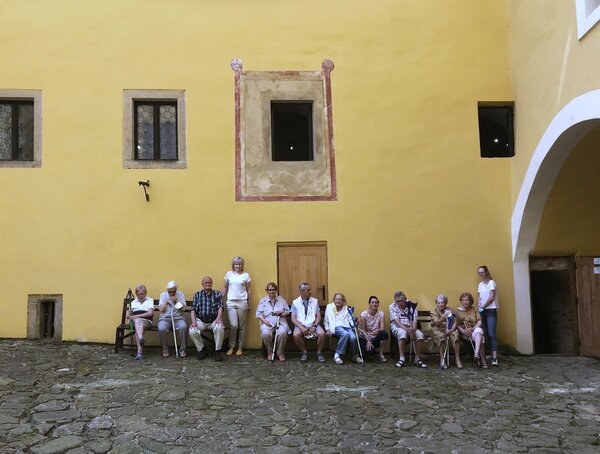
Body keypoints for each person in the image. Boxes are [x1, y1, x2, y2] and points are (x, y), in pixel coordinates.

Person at [189, 276, 225, 362]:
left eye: (209, 282)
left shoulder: (217, 294)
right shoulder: (197, 295)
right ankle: (201, 350)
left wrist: (218, 318)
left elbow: (220, 307)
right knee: (192, 331)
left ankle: (217, 351)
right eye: (206, 283)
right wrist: (193, 322)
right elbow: (193, 309)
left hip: (214, 320)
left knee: (219, 327)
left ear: (212, 283)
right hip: (201, 320)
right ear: (202, 284)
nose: (208, 284)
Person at [389, 291, 427, 368]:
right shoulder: (392, 306)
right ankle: (402, 359)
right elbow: (397, 322)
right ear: (395, 300)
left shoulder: (412, 305)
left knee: (420, 335)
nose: (400, 303)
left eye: (402, 300)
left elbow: (414, 320)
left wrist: (413, 331)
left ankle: (417, 359)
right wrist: (408, 331)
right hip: (398, 327)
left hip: (411, 327)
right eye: (398, 301)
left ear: (405, 299)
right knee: (402, 333)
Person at [291, 282, 326, 363]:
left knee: (322, 334)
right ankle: (304, 352)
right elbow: (293, 318)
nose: (310, 292)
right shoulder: (295, 303)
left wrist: (314, 326)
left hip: (313, 324)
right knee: (296, 335)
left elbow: (318, 316)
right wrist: (301, 327)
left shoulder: (314, 301)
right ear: (302, 291)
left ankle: (319, 353)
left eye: (310, 290)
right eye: (308, 290)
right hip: (300, 325)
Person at [223, 256, 251, 357]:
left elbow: (249, 290)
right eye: (236, 264)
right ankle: (231, 347)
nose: (237, 266)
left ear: (242, 265)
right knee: (234, 325)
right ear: (233, 265)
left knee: (242, 326)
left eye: (239, 264)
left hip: (242, 302)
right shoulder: (228, 274)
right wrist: (221, 298)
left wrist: (249, 303)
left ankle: (240, 347)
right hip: (230, 302)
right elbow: (225, 287)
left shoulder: (246, 275)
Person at [324, 293, 363, 364]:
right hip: (336, 326)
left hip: (347, 327)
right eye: (336, 299)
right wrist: (327, 329)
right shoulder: (329, 307)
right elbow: (326, 320)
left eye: (340, 299)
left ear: (343, 301)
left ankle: (354, 356)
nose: (338, 301)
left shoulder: (347, 309)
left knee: (353, 337)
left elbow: (350, 320)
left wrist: (354, 323)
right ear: (334, 300)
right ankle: (337, 356)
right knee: (345, 334)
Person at [256, 282, 290, 362]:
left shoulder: (281, 299)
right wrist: (265, 322)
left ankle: (280, 353)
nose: (272, 292)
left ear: (276, 290)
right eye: (270, 290)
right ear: (267, 291)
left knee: (282, 333)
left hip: (280, 322)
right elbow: (259, 314)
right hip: (267, 322)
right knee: (265, 334)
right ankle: (270, 351)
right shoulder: (263, 301)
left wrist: (281, 313)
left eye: (274, 290)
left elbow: (288, 311)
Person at [456, 292, 487, 368]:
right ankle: (483, 360)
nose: (465, 302)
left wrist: (472, 329)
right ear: (461, 301)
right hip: (464, 333)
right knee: (481, 338)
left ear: (470, 301)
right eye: (463, 300)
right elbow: (456, 324)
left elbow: (479, 321)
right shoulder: (457, 311)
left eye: (467, 300)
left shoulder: (475, 309)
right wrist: (464, 331)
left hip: (474, 330)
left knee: (478, 330)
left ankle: (476, 353)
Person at [430, 294, 461, 369]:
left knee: (455, 335)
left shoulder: (450, 310)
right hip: (437, 329)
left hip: (449, 328)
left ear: (446, 303)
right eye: (438, 303)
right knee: (441, 337)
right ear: (436, 303)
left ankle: (457, 359)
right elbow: (436, 323)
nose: (440, 304)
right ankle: (442, 359)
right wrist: (443, 317)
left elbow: (455, 322)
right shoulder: (433, 311)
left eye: (442, 302)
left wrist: (451, 330)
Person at [158, 281, 188, 358]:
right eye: (169, 292)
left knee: (183, 327)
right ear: (167, 290)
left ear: (176, 290)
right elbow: (161, 310)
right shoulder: (163, 295)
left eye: (173, 292)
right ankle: (165, 349)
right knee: (161, 328)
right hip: (165, 319)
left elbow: (184, 309)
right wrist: (167, 302)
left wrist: (177, 301)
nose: (171, 293)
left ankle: (183, 350)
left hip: (178, 318)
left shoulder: (180, 294)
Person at [477, 265, 499, 366]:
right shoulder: (480, 284)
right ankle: (485, 355)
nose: (480, 274)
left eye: (482, 272)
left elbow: (491, 298)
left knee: (491, 333)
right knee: (484, 333)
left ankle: (494, 357)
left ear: (486, 272)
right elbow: (479, 297)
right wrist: (479, 306)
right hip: (482, 311)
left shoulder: (491, 283)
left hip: (490, 310)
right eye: (479, 272)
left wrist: (483, 306)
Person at [127, 284, 154, 361]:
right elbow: (129, 316)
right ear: (136, 294)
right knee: (138, 323)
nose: (140, 296)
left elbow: (150, 313)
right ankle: (140, 346)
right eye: (138, 294)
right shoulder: (133, 302)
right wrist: (129, 315)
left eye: (142, 294)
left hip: (146, 321)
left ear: (145, 293)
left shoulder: (150, 300)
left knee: (139, 324)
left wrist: (138, 316)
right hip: (135, 322)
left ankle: (139, 353)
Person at [358, 296, 389, 363]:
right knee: (370, 351)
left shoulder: (381, 314)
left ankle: (381, 354)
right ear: (369, 304)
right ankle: (369, 351)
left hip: (375, 336)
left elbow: (382, 328)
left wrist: (377, 330)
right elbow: (363, 330)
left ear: (378, 304)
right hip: (365, 337)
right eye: (372, 302)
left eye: (376, 302)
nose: (374, 304)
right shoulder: (364, 315)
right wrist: (368, 341)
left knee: (384, 334)